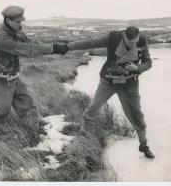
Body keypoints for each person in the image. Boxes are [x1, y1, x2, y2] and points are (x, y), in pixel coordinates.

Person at [53, 26, 155, 159]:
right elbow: (90, 42)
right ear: (124, 37)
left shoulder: (141, 41)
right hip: (108, 82)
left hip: (130, 85)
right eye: (131, 42)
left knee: (137, 115)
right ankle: (84, 139)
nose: (135, 44)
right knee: (93, 108)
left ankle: (144, 145)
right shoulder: (113, 37)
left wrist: (138, 67)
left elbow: (148, 62)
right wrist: (68, 46)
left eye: (136, 41)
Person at [0, 5, 61, 142]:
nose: (20, 24)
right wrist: (53, 49)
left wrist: (57, 45)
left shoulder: (16, 32)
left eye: (21, 21)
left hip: (13, 76)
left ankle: (32, 134)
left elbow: (29, 43)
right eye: (17, 22)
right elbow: (28, 50)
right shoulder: (2, 38)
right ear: (8, 20)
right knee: (2, 110)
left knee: (27, 105)